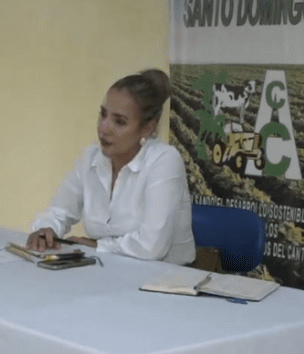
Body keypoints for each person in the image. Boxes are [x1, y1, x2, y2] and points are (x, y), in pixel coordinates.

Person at [26, 69, 196, 264]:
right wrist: (46, 229)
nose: (103, 128)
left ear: (148, 128)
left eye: (119, 122)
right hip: (107, 269)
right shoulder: (91, 157)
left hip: (167, 278)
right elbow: (59, 212)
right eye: (103, 114)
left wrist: (97, 246)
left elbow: (152, 247)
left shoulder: (164, 160)